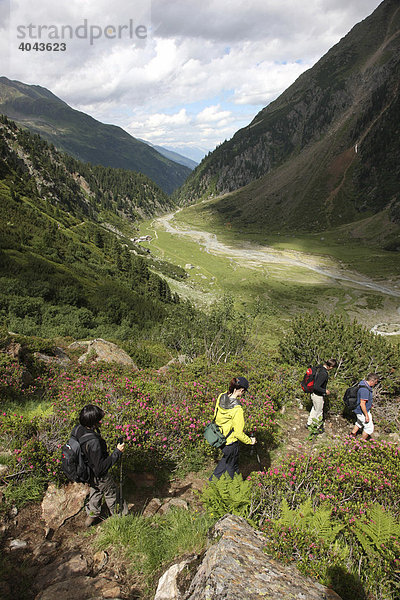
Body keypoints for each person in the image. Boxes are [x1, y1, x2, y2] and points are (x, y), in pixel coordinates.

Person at [74, 404, 126, 527]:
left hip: (87, 472)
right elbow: (100, 468)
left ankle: (91, 517)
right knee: (112, 493)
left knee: (95, 492)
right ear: (93, 422)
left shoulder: (78, 429)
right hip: (99, 475)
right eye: (98, 419)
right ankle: (121, 519)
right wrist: (117, 453)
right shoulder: (93, 442)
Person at [210, 376, 256, 480]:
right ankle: (231, 487)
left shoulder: (221, 396)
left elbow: (215, 416)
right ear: (241, 390)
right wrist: (250, 441)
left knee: (227, 462)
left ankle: (216, 483)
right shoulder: (237, 409)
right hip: (230, 443)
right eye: (243, 392)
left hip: (219, 437)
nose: (243, 394)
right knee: (231, 466)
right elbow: (238, 433)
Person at [306, 358, 338, 432]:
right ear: (331, 367)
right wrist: (325, 391)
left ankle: (309, 423)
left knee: (314, 409)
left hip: (313, 394)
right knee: (319, 411)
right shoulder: (324, 373)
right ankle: (316, 428)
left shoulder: (319, 368)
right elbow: (316, 386)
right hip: (318, 395)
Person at [350, 373, 379, 440]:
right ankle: (360, 443)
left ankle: (352, 435)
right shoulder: (364, 390)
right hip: (361, 411)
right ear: (372, 381)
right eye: (375, 382)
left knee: (359, 423)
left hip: (360, 410)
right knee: (369, 428)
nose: (376, 383)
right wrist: (366, 415)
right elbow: (362, 404)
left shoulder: (363, 385)